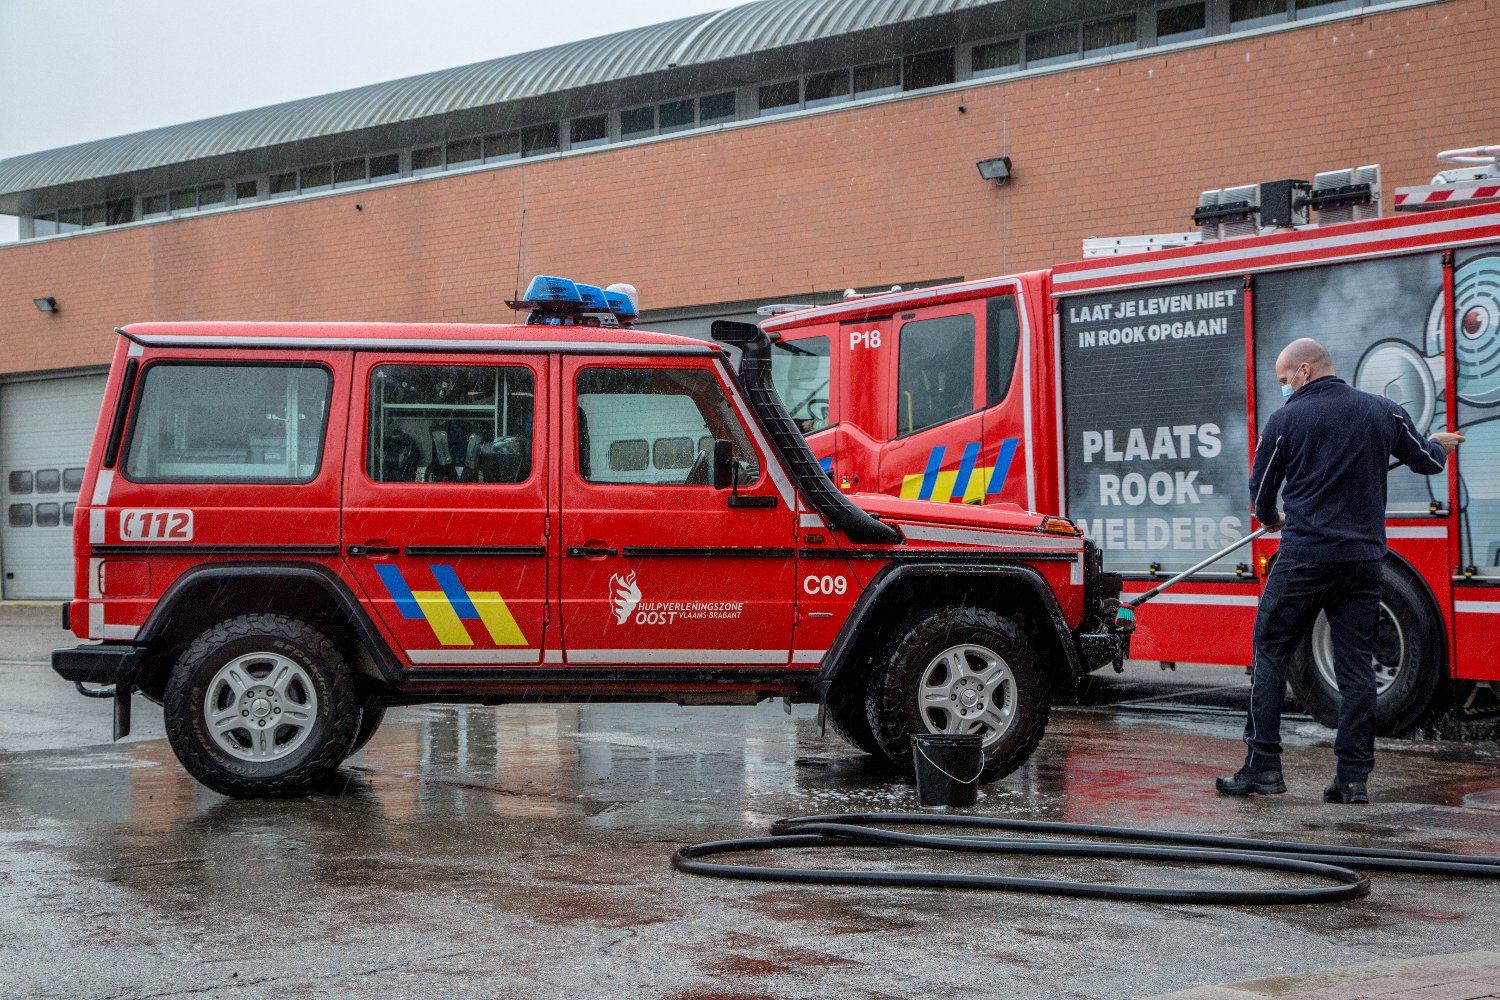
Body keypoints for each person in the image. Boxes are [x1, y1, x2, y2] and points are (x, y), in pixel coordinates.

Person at [1216, 338, 1463, 804]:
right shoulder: (1382, 412)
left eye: (1285, 379)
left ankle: (1263, 767)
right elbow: (1426, 460)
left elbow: (1261, 494)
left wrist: (1273, 519)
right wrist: (1441, 445)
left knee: (1270, 653)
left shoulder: (1284, 422)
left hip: (1305, 559)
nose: (1284, 388)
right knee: (1355, 669)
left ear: (1305, 370)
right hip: (1362, 562)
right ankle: (1352, 779)